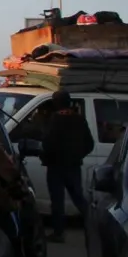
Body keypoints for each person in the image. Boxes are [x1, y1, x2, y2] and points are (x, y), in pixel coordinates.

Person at [40, 91, 93, 242]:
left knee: (57, 201)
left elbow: (47, 144)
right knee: (79, 199)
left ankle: (59, 233)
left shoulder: (55, 120)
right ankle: (93, 226)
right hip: (73, 166)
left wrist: (45, 156)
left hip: (56, 167)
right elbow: (89, 144)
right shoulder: (79, 119)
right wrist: (77, 156)